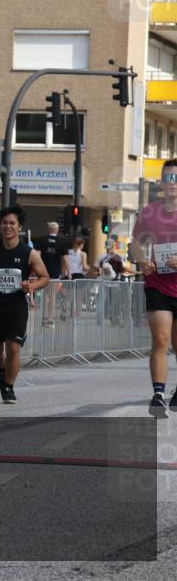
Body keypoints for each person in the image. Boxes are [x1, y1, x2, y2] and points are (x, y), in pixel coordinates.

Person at [0, 206, 50, 404]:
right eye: (5, 223)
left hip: (16, 306)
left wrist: (31, 286)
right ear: (0, 225)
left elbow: (45, 277)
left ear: (20, 227)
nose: (8, 226)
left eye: (12, 223)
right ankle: (3, 368)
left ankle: (8, 387)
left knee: (13, 346)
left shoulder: (29, 253)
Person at [129, 159, 177, 418]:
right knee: (161, 340)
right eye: (168, 178)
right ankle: (158, 395)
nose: (173, 184)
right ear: (161, 182)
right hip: (157, 284)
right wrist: (141, 260)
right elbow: (136, 243)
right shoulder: (150, 212)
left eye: (176, 179)